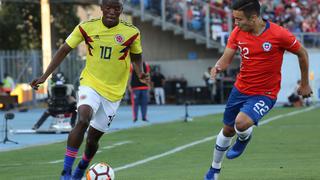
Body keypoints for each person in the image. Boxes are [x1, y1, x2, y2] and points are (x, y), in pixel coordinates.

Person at [30, 0, 149, 179]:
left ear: (121, 10)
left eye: (116, 8)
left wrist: (140, 72)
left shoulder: (131, 32)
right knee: (83, 119)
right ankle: (66, 172)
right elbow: (63, 50)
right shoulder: (86, 27)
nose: (112, 11)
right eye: (108, 7)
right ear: (101, 9)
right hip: (90, 83)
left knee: (93, 139)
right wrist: (44, 76)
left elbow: (136, 56)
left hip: (114, 92)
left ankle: (83, 165)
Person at [204, 1, 312, 180]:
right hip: (240, 89)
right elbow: (226, 56)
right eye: (234, 19)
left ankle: (244, 138)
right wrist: (217, 67)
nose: (235, 23)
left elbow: (302, 53)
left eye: (239, 19)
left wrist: (305, 83)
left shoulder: (278, 34)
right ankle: (214, 169)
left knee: (241, 123)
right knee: (227, 130)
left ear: (253, 18)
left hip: (265, 93)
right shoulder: (237, 32)